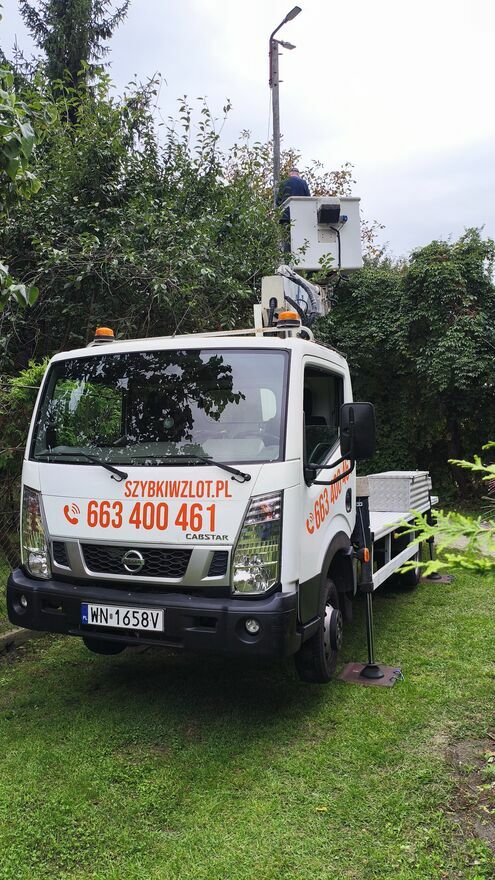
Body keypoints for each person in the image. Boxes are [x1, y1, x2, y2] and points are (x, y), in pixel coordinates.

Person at [276, 168, 311, 250]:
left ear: (290, 174)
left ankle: (287, 256)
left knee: (287, 239)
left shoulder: (283, 183)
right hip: (300, 216)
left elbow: (278, 201)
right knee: (300, 237)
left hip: (286, 216)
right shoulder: (303, 183)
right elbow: (308, 199)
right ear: (298, 174)